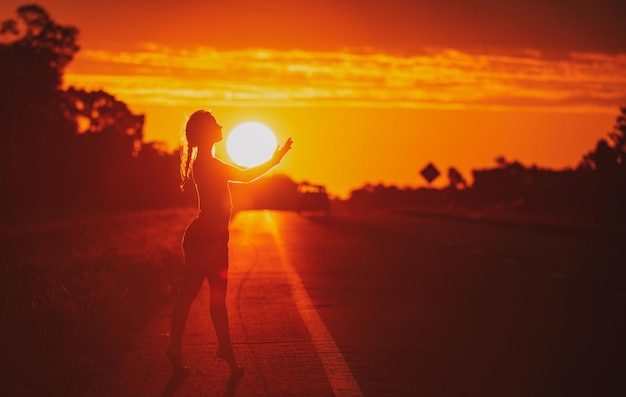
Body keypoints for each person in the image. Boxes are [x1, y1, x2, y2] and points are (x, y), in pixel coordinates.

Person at [166, 110, 292, 376]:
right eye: (215, 125)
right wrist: (276, 159)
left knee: (202, 298)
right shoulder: (209, 164)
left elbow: (244, 176)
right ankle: (205, 350)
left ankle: (211, 350)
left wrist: (274, 159)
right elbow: (247, 177)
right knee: (208, 299)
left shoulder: (206, 162)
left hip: (206, 237)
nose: (221, 127)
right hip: (209, 239)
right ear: (205, 133)